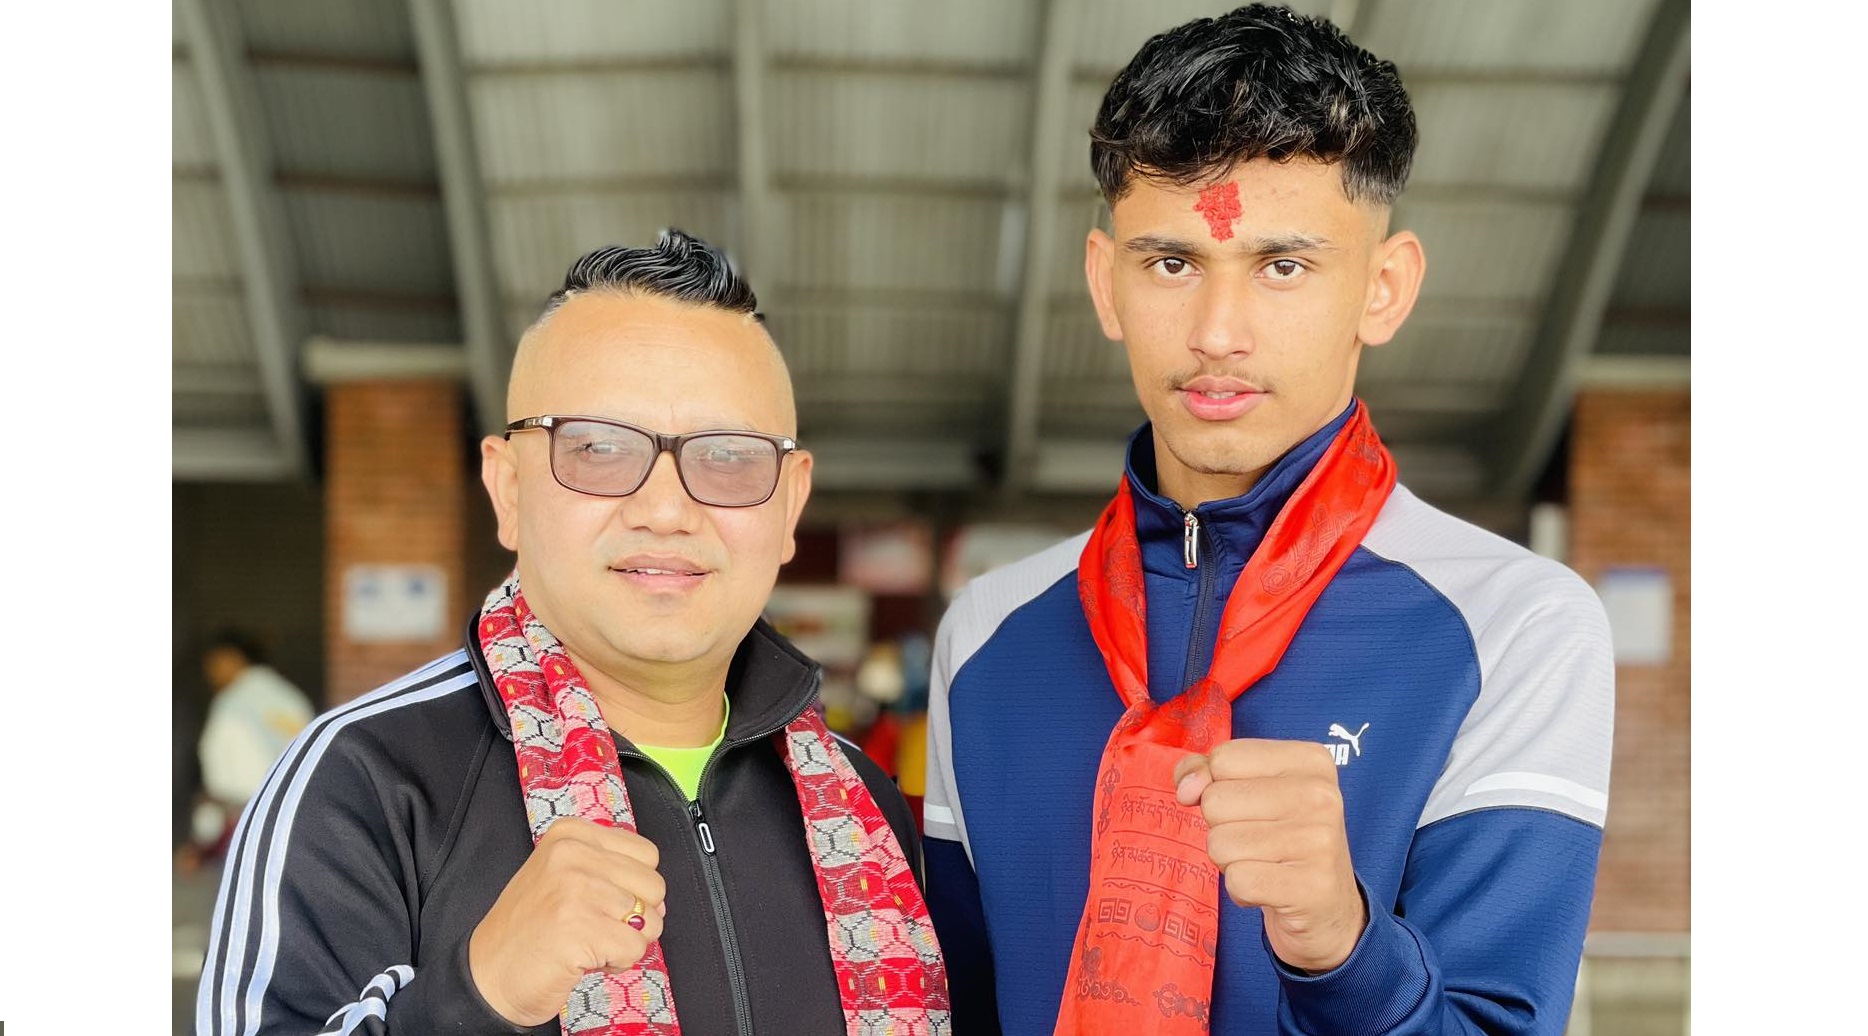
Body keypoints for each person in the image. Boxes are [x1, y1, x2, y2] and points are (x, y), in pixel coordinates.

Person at [921, 6, 1614, 1034]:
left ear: (1384, 290)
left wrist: (1343, 944)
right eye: (1170, 263)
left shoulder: (1514, 626)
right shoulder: (986, 635)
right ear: (1104, 284)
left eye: (1282, 266)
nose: (1216, 333)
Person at [198, 230, 949, 1035]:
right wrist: (480, 993)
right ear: (508, 489)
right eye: (598, 448)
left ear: (791, 502)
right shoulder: (365, 780)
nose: (666, 509)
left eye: (729, 457)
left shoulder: (861, 810)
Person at [180, 628, 313, 873]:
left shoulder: (232, 704)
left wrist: (202, 840)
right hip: (292, 823)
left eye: (213, 664)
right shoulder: (290, 698)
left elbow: (222, 780)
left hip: (240, 827)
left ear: (231, 658)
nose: (209, 673)